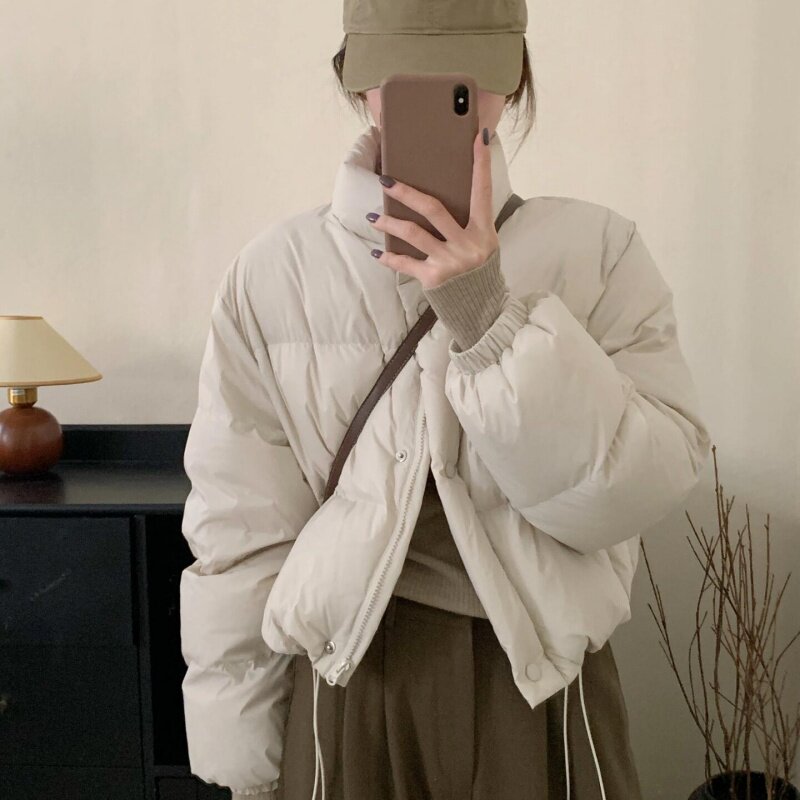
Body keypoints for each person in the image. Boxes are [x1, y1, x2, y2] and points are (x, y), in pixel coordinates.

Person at [179, 1, 712, 799]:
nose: (437, 95)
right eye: (405, 77)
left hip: (539, 682)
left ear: (514, 80)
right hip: (351, 683)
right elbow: (240, 532)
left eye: (465, 80)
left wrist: (489, 317)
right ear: (358, 85)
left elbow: (637, 490)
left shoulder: (599, 253)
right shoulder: (273, 274)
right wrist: (243, 763)